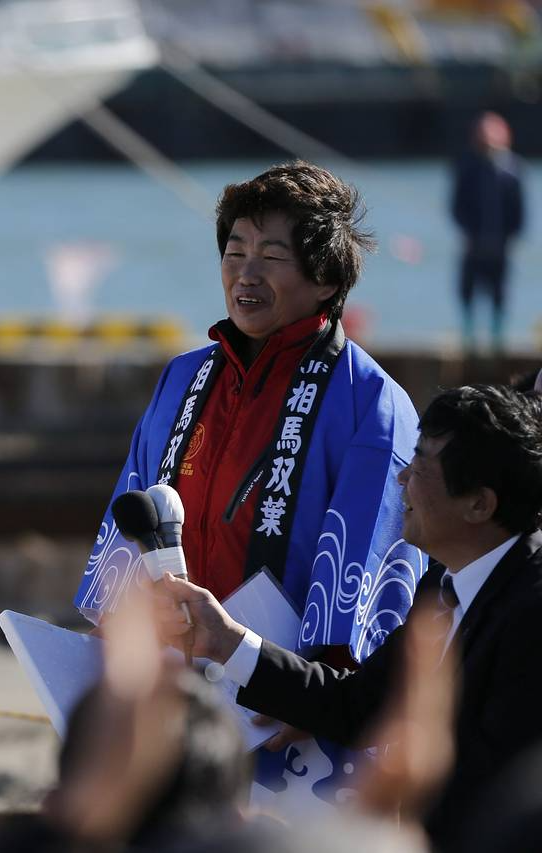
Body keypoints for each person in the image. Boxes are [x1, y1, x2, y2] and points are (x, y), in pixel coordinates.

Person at [74, 161, 425, 805]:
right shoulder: (182, 379)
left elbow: (371, 555)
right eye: (234, 251)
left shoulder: (372, 401)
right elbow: (131, 513)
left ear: (325, 278)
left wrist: (317, 690)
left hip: (285, 722)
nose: (245, 272)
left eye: (271, 255)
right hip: (170, 698)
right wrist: (112, 644)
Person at [158, 384, 542, 850]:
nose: (402, 480)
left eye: (419, 466)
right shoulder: (442, 582)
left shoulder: (530, 610)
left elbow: (506, 788)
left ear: (479, 504)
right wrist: (225, 640)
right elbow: (359, 704)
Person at [451, 111, 526, 355]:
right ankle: (469, 337)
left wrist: (511, 236)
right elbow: (456, 205)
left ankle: (497, 338)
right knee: (468, 290)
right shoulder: (466, 167)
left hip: (500, 244)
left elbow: (519, 210)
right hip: (473, 243)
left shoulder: (512, 169)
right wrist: (467, 232)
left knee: (499, 292)